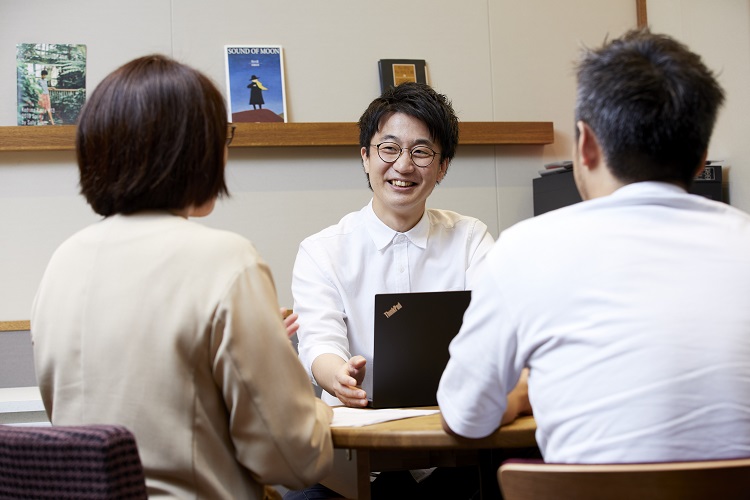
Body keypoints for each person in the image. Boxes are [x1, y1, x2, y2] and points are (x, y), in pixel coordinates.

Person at [438, 28, 750, 464]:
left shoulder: (524, 250)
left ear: (585, 145)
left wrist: (521, 396)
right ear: (701, 158)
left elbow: (464, 415)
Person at [30, 54, 333, 499]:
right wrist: (320, 414)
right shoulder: (226, 260)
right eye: (221, 137)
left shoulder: (63, 261)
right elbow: (293, 457)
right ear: (193, 149)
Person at [286, 82, 529, 499]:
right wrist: (338, 376)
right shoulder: (322, 250)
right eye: (388, 149)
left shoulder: (470, 239)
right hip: (353, 460)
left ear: (443, 166)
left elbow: (503, 327)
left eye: (421, 151)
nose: (403, 166)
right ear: (365, 157)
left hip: (452, 449)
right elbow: (319, 342)